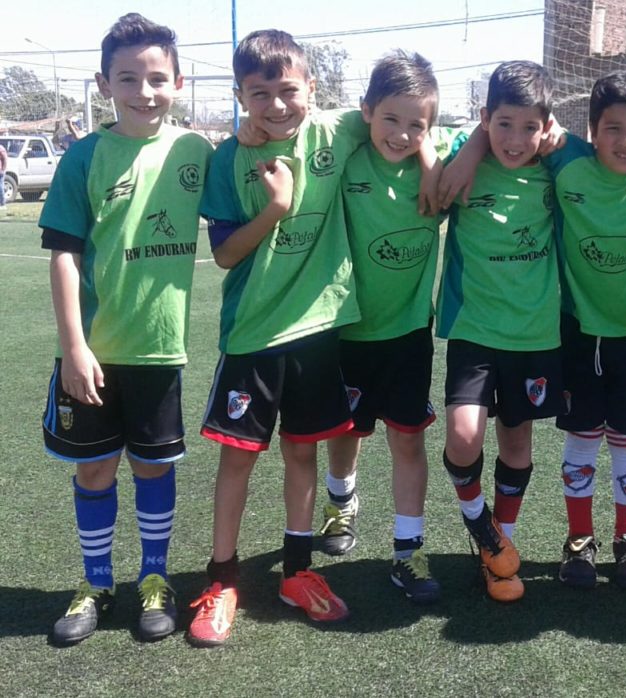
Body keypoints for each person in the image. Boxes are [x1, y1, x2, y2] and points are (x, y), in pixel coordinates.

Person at [186, 29, 369, 648]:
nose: (276, 105)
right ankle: (221, 580)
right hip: (253, 333)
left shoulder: (336, 132)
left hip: (317, 328)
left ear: (312, 89)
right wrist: (275, 210)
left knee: (302, 453)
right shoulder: (228, 160)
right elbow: (225, 255)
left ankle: (296, 572)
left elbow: (407, 112)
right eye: (259, 94)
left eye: (288, 90)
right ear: (240, 96)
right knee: (238, 457)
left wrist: (453, 150)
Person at [40, 13, 212, 645]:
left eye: (157, 78)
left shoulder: (196, 152)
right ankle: (96, 583)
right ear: (104, 84)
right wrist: (73, 347)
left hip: (160, 351)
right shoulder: (84, 156)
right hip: (94, 354)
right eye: (128, 78)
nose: (145, 91)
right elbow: (64, 254)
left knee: (153, 468)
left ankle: (155, 578)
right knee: (94, 471)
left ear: (179, 83)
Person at [318, 50, 448, 604]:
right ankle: (340, 504)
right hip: (348, 328)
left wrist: (432, 154)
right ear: (367, 110)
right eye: (389, 118)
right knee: (345, 432)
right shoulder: (347, 159)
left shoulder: (439, 172)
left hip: (409, 332)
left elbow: (484, 140)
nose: (401, 134)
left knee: (408, 438)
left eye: (416, 124)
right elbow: (321, 121)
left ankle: (408, 549)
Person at [434, 60, 565, 602]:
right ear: (485, 117)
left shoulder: (555, 167)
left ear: (546, 126)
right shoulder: (464, 159)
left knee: (516, 439)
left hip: (535, 334)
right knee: (464, 436)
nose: (515, 139)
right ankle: (479, 524)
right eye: (503, 124)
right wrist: (471, 146)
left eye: (529, 127)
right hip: (474, 328)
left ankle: (499, 546)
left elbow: (603, 153)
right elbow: (416, 137)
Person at [545, 67, 626, 591]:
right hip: (577, 327)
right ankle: (579, 540)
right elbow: (521, 130)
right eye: (612, 128)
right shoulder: (567, 163)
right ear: (592, 129)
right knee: (581, 436)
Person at [0, 141, 7, 210]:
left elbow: (5, 159)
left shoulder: (1, 148)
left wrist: (3, 169)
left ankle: (3, 204)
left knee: (0, 188)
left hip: (0, 172)